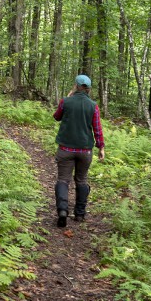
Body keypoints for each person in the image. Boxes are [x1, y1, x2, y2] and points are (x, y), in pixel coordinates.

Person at [52, 74, 105, 227]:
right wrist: (101, 146)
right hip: (85, 151)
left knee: (63, 179)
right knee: (81, 180)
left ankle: (62, 211)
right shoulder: (93, 105)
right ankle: (80, 214)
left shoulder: (65, 101)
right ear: (88, 89)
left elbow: (57, 117)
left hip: (65, 148)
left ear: (76, 85)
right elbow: (97, 128)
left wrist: (67, 99)